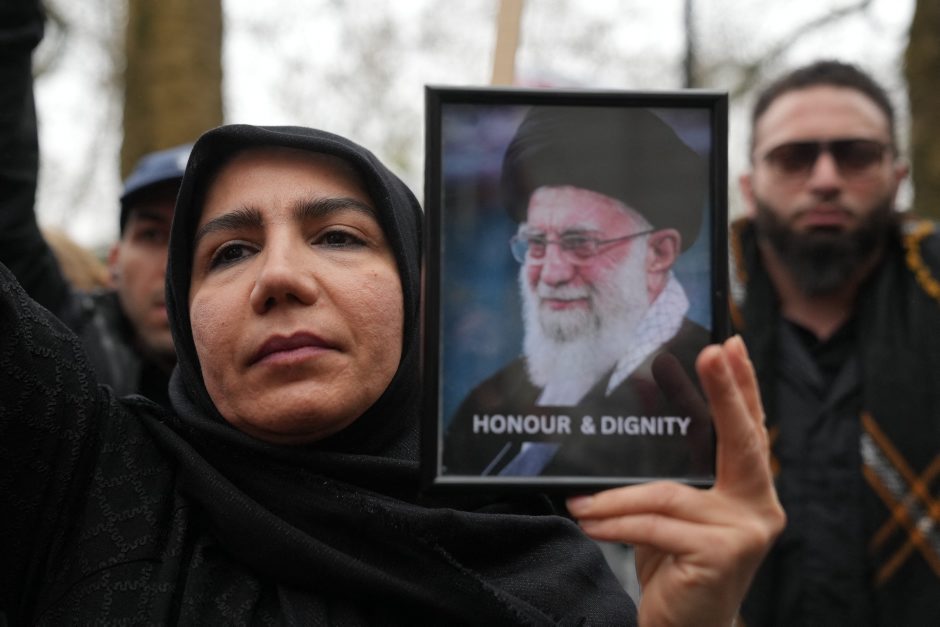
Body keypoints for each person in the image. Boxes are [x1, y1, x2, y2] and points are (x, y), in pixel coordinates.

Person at [0, 120, 785, 625]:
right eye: (229, 252)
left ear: (416, 293)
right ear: (184, 308)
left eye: (338, 237)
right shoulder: (95, 485)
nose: (280, 277)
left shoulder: (543, 566)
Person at [733, 59, 940, 626]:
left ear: (897, 178)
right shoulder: (682, 325)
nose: (825, 179)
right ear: (749, 187)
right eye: (793, 158)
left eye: (856, 155)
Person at [444, 105, 713, 478]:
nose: (552, 273)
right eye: (536, 244)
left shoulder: (709, 389)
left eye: (580, 243)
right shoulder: (491, 403)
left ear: (659, 253)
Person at [0, 0, 189, 409]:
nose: (174, 265)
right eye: (152, 235)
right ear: (114, 263)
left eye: (201, 239)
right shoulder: (66, 347)